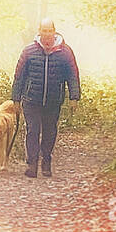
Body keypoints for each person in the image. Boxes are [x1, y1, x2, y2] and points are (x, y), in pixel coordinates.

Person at [11, 17, 80, 178]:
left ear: (54, 31)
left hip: (54, 100)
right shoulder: (29, 51)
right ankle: (32, 164)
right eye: (44, 30)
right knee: (32, 131)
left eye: (50, 31)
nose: (47, 34)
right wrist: (16, 99)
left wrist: (74, 97)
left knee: (50, 132)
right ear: (39, 31)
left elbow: (73, 75)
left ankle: (46, 161)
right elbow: (19, 76)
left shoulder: (65, 52)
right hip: (31, 99)